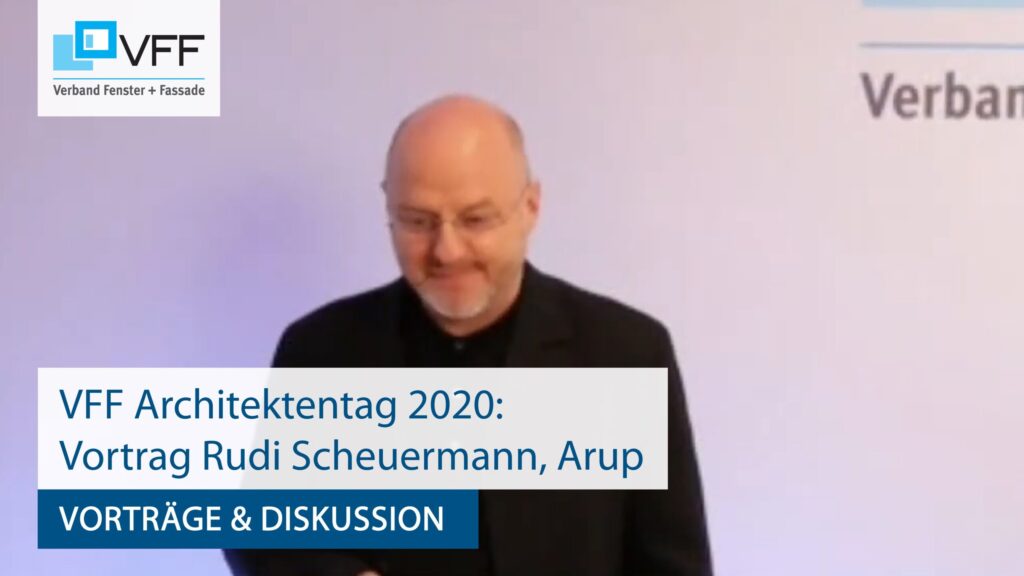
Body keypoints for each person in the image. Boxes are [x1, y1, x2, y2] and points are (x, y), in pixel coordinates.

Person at [225, 94, 713, 576]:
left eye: (476, 219)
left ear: (531, 208)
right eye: (417, 221)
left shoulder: (627, 354)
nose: (448, 251)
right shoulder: (321, 349)